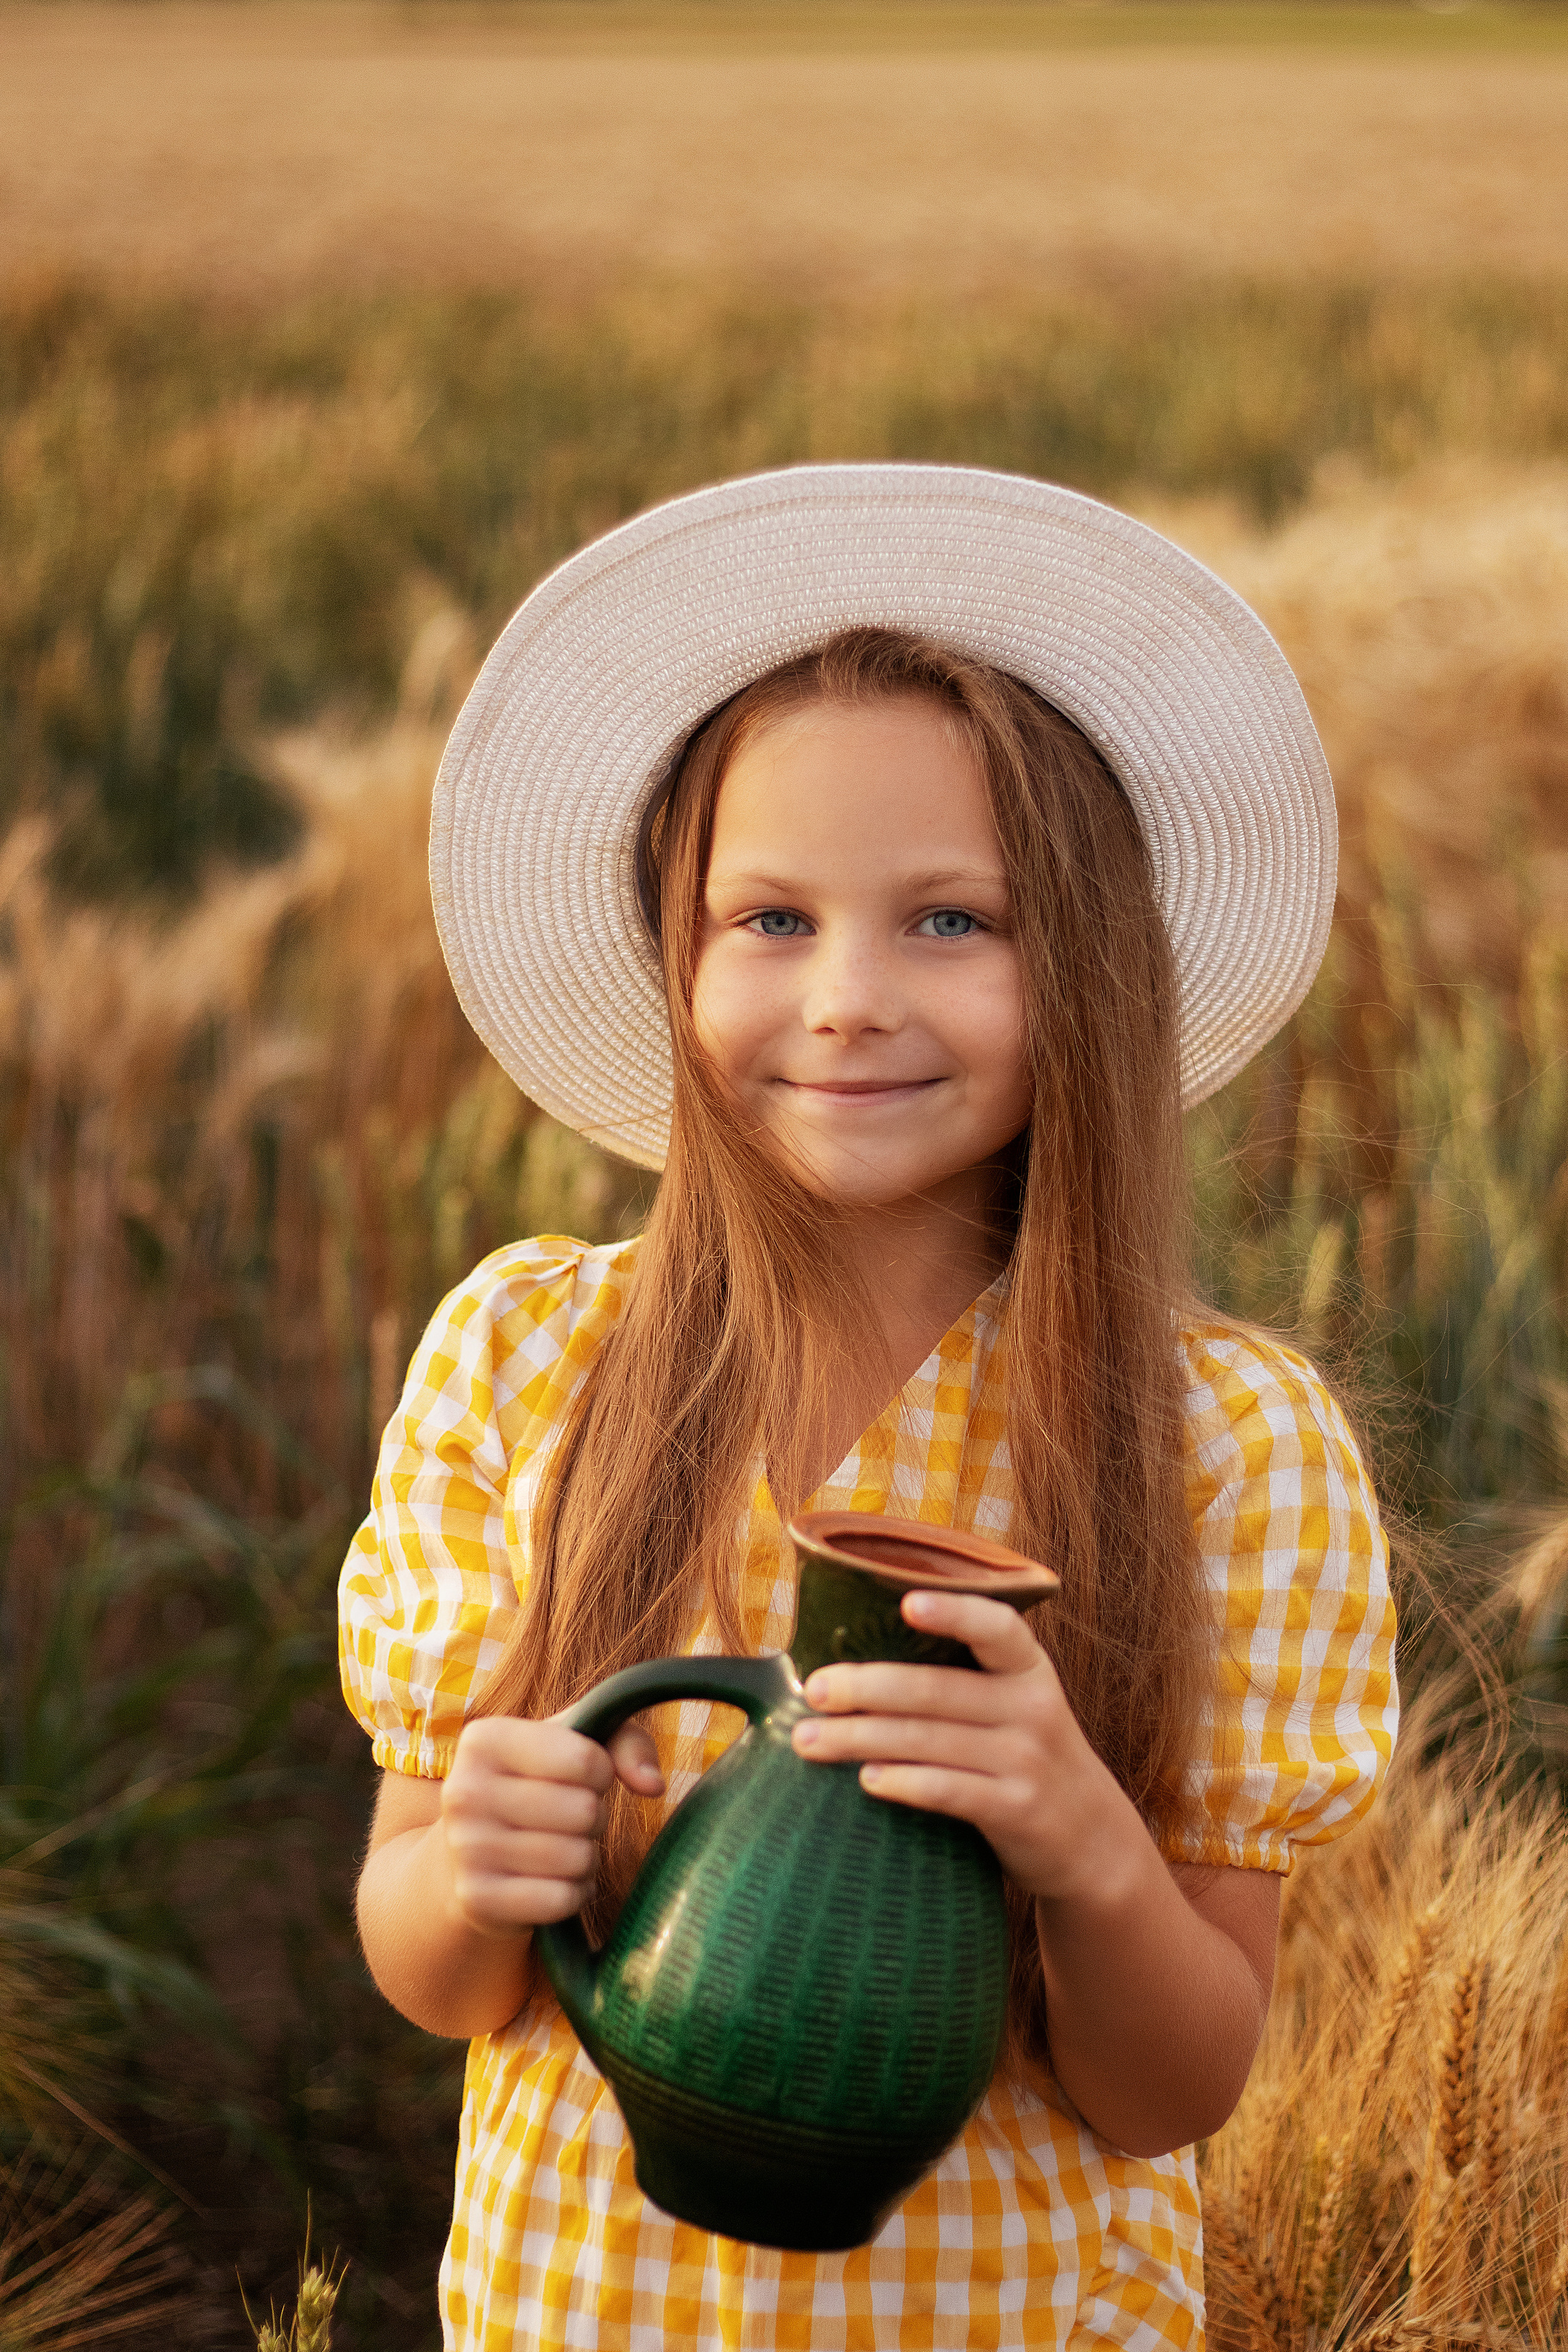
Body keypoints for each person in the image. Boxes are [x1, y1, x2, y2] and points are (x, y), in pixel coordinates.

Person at [341, 465, 1396, 2351]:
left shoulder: (1225, 1443)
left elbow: (1174, 2088)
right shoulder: (529, 1362)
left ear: (1086, 956)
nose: (843, 1001)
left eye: (950, 923)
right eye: (768, 919)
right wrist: (472, 1869)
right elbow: (434, 1975)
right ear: (675, 951)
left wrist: (1077, 1839)